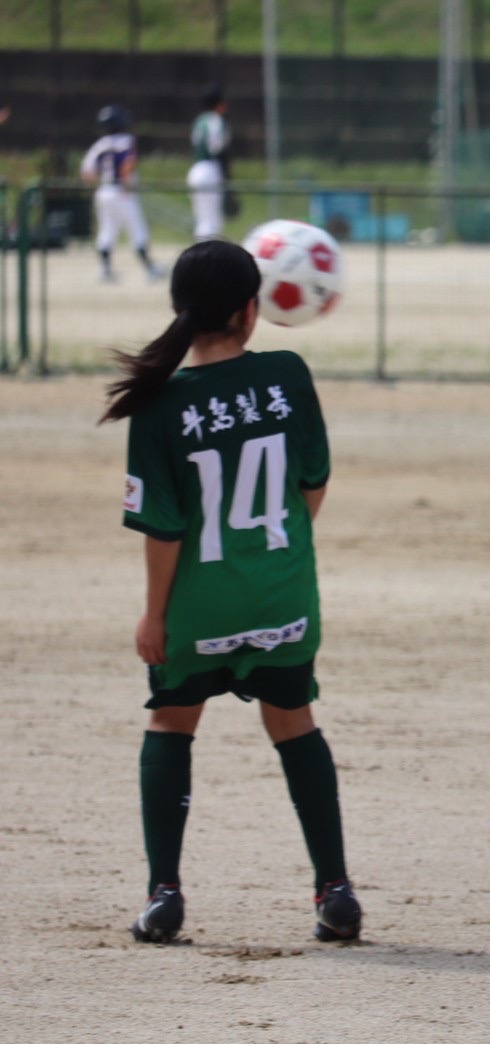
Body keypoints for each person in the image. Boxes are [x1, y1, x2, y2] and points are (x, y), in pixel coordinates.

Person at [101, 239, 361, 945]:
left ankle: (164, 896)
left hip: (200, 604)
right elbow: (312, 485)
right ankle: (335, 890)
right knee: (293, 719)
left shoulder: (160, 404)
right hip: (282, 597)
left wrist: (155, 615)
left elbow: (164, 527)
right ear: (253, 311)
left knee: (172, 722)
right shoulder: (288, 375)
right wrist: (273, 554)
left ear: (182, 312)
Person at [80, 105, 165, 284]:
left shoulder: (99, 145)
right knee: (137, 228)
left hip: (104, 190)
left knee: (107, 230)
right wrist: (126, 183)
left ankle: (105, 269)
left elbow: (88, 173)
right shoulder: (126, 140)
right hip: (121, 190)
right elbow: (127, 163)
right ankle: (150, 268)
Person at [187, 86, 230, 241]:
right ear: (218, 103)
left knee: (202, 220)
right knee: (212, 221)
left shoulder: (199, 120)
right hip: (211, 170)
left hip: (196, 169)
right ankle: (208, 258)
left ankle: (199, 252)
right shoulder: (217, 120)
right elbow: (216, 149)